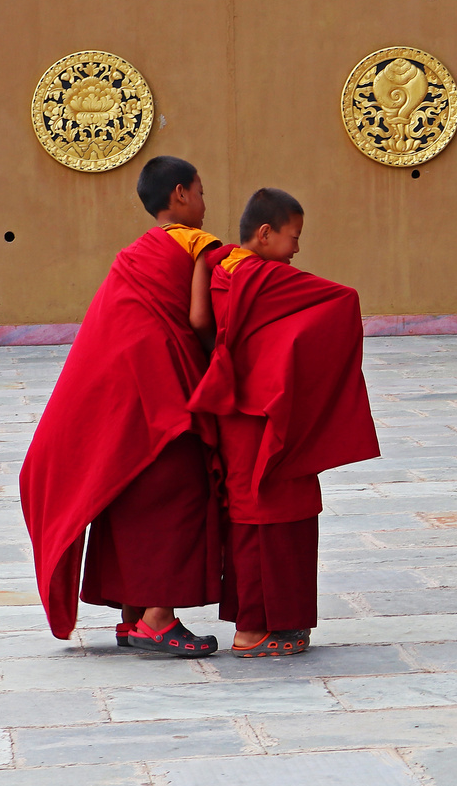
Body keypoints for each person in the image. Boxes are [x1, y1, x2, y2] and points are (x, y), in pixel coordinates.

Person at [19, 156, 223, 656]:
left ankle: (132, 616)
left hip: (131, 397)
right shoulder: (196, 245)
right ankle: (158, 618)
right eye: (200, 191)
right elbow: (199, 318)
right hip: (167, 393)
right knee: (179, 495)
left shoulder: (132, 254)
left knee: (130, 495)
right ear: (179, 194)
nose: (203, 202)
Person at [188, 188, 380, 656]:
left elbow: (204, 323)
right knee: (267, 516)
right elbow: (342, 300)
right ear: (265, 233)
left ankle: (270, 623)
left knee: (258, 513)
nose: (296, 249)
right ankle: (252, 631)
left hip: (238, 410)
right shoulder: (262, 276)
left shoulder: (223, 269)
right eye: (293, 237)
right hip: (263, 416)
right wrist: (293, 365)